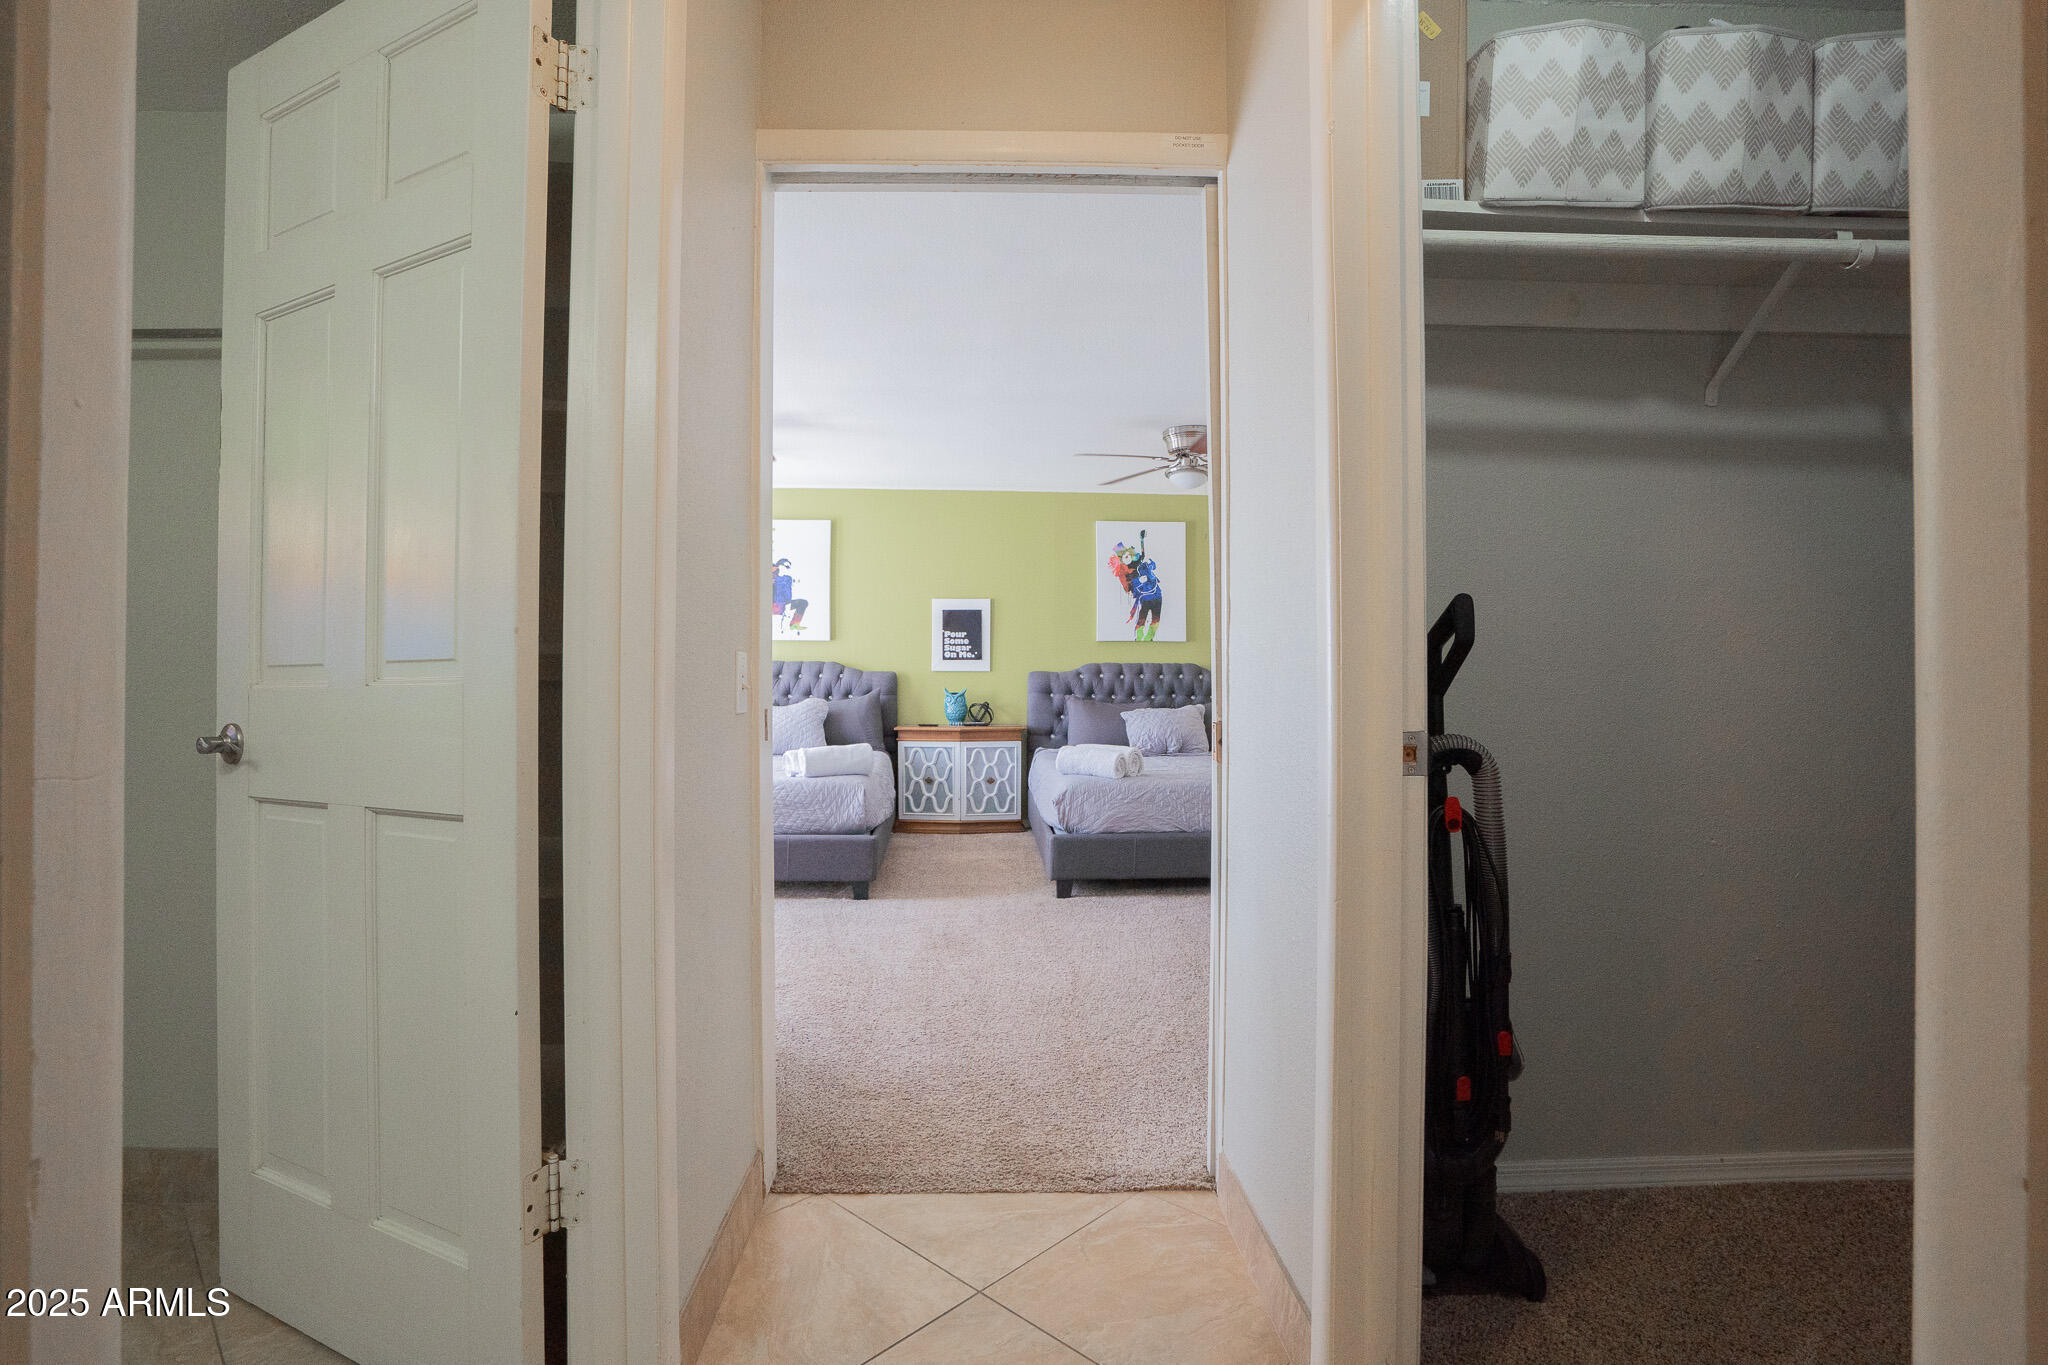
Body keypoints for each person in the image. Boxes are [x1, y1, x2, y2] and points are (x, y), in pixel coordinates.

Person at [771, 557, 809, 633]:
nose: (777, 573)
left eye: (777, 571)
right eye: (775, 572)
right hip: (773, 607)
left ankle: (794, 624)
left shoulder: (784, 579)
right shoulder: (774, 580)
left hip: (783, 605)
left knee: (803, 603)